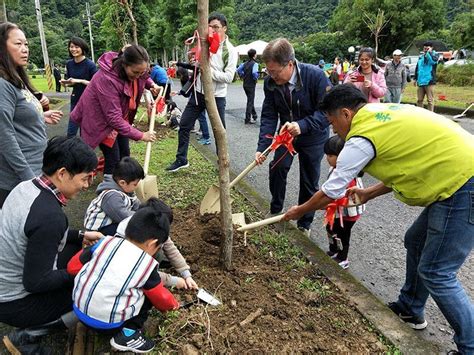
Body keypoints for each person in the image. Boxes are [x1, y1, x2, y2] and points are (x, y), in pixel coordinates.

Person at [283, 84, 474, 354]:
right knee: (415, 242)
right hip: (455, 175)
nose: (333, 130)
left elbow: (332, 191)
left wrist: (300, 210)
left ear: (346, 114)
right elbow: (405, 164)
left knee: (437, 271)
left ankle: (470, 346)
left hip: (464, 182)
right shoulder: (379, 115)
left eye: (332, 122)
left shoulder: (361, 137)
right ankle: (410, 308)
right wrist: (369, 192)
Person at [0, 136, 103, 353]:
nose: (86, 186)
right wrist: (82, 273)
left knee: (75, 250)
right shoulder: (50, 216)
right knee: (89, 290)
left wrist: (81, 235)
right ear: (62, 173)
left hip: (4, 281)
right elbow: (36, 283)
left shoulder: (26, 187)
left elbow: (37, 234)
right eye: (85, 179)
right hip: (12, 302)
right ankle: (26, 338)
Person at [67, 202, 180, 353]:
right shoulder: (146, 265)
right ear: (153, 243)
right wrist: (174, 306)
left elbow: (72, 267)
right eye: (159, 247)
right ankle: (129, 333)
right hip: (109, 325)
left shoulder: (105, 242)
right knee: (148, 296)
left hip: (78, 309)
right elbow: (162, 299)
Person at [255, 38, 331, 236]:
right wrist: (262, 146)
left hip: (313, 136)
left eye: (275, 72)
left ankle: (304, 223)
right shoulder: (271, 82)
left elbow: (327, 112)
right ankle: (276, 210)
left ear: (290, 64)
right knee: (277, 167)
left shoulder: (315, 76)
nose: (271, 76)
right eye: (268, 72)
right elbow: (269, 114)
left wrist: (302, 125)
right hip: (286, 136)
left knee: (309, 180)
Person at [0, 22, 62, 209]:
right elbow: (4, 135)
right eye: (18, 44)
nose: (25, 49)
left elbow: (16, 117)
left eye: (26, 44)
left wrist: (40, 116)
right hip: (17, 179)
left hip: (36, 167)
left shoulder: (16, 78)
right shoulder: (2, 84)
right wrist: (28, 176)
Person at [70, 44, 159, 175]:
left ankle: (122, 186)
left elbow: (142, 74)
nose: (138, 76)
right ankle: (108, 191)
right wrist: (141, 135)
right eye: (135, 72)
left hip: (118, 118)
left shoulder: (134, 71)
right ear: (124, 64)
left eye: (141, 72)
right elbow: (113, 118)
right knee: (113, 159)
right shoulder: (107, 79)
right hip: (99, 120)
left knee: (125, 155)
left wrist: (151, 84)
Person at [166, 13, 238, 172]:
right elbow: (199, 67)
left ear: (224, 29)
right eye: (209, 27)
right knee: (184, 125)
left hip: (217, 97)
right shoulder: (204, 45)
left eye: (216, 27)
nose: (212, 30)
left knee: (219, 132)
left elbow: (229, 77)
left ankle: (222, 163)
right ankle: (181, 159)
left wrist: (207, 72)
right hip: (198, 94)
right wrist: (195, 64)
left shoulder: (230, 51)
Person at [115, 197, 199, 290]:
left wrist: (186, 274)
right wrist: (173, 281)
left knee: (160, 254)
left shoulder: (153, 229)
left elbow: (171, 249)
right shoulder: (125, 241)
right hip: (125, 278)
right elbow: (143, 273)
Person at [323, 135, 365, 270]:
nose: (327, 158)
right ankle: (333, 249)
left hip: (348, 213)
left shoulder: (349, 176)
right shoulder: (334, 169)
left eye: (331, 155)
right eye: (327, 155)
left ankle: (343, 257)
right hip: (336, 210)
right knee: (330, 228)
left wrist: (328, 201)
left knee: (343, 233)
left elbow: (352, 199)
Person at [84, 156, 143, 236]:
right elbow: (123, 216)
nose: (137, 186)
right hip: (98, 230)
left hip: (111, 224)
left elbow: (137, 205)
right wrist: (142, 218)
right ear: (122, 183)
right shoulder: (111, 195)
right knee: (128, 230)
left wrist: (146, 211)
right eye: (135, 184)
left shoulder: (127, 190)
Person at [61, 37, 98, 137]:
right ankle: (69, 152)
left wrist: (80, 80)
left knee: (85, 131)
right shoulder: (69, 64)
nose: (73, 49)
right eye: (71, 47)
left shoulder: (90, 65)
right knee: (71, 132)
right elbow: (72, 82)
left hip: (89, 100)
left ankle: (85, 151)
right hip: (75, 98)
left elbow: (96, 84)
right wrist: (66, 83)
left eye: (76, 47)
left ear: (82, 48)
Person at [414, 41, 439, 111]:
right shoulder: (421, 57)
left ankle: (430, 114)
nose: (425, 50)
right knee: (419, 100)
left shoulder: (435, 55)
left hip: (429, 81)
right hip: (421, 81)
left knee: (430, 100)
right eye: (424, 48)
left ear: (431, 48)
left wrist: (429, 53)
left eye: (427, 48)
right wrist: (415, 78)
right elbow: (417, 68)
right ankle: (420, 114)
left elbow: (432, 62)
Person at [237, 48, 259, 124]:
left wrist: (243, 75)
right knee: (250, 101)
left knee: (250, 100)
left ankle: (254, 115)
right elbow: (254, 72)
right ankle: (247, 119)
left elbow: (238, 70)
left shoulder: (244, 63)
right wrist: (256, 78)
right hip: (251, 84)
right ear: (254, 55)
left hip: (245, 84)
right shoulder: (255, 64)